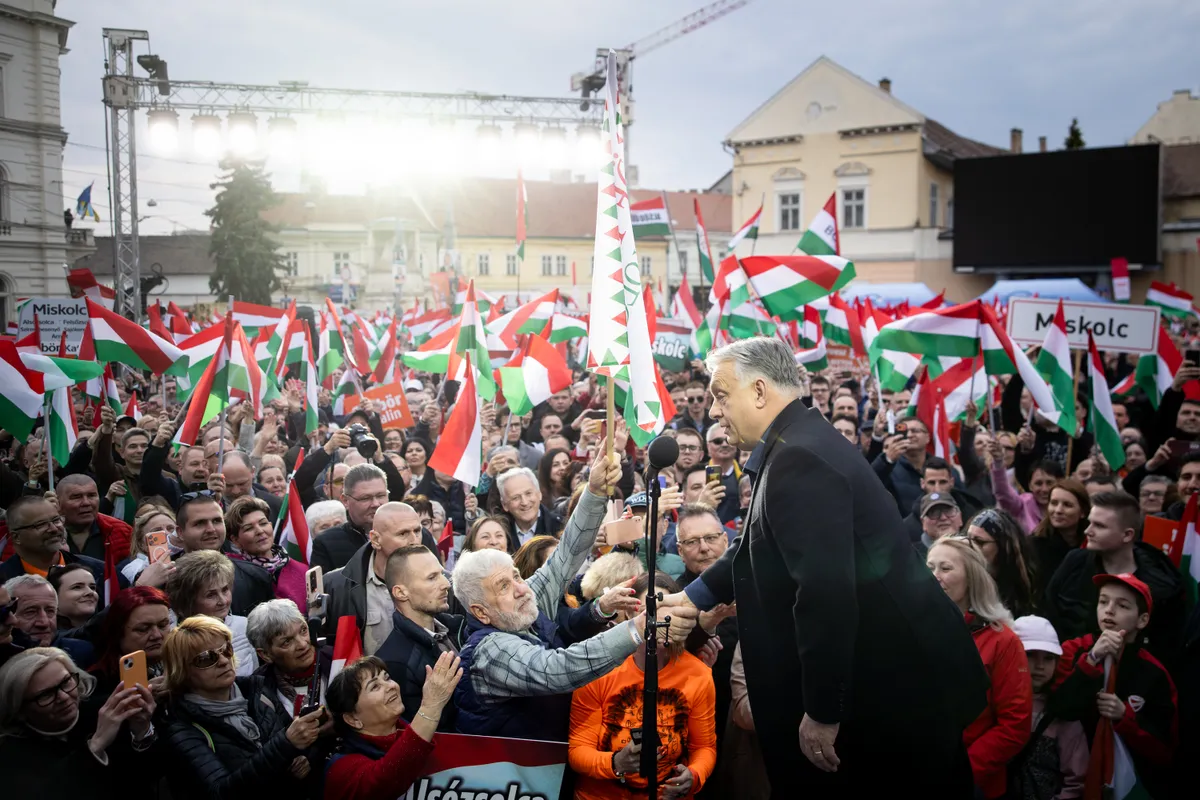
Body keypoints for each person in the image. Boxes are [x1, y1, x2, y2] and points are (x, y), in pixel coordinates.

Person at [663, 338, 988, 794]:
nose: (715, 411)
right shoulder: (799, 441)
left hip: (895, 691)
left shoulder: (798, 457)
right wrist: (691, 598)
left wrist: (821, 710)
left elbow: (825, 592)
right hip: (890, 680)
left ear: (759, 391)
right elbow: (759, 543)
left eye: (721, 395)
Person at [451, 452, 696, 741]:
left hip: (546, 759)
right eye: (503, 586)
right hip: (511, 767)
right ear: (481, 612)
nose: (520, 588)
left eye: (516, 576)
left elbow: (566, 555)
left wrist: (594, 491)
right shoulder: (490, 651)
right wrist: (635, 629)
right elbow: (557, 670)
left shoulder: (521, 600)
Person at [568, 572, 717, 800]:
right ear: (630, 612)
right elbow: (578, 751)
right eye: (651, 610)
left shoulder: (698, 675)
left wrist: (694, 776)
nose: (660, 619)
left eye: (668, 610)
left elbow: (704, 748)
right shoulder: (600, 668)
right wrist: (616, 762)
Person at [159, 616, 325, 800]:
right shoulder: (182, 729)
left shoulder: (257, 690)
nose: (223, 661)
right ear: (182, 671)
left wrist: (306, 758)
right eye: (207, 658)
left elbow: (300, 744)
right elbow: (220, 792)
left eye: (226, 650)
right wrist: (285, 745)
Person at [1051, 573, 1178, 798]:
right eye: (1103, 601)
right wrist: (1091, 660)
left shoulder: (1154, 673)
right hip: (1070, 781)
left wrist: (1125, 717)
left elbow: (1166, 749)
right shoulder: (1073, 650)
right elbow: (1059, 708)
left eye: (1122, 605)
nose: (1109, 610)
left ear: (1142, 620)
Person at [926, 536, 1032, 798]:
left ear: (972, 578)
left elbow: (1014, 726)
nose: (935, 576)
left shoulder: (1003, 641)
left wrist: (961, 772)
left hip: (973, 782)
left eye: (945, 568)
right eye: (929, 568)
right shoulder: (913, 630)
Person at [1043, 491, 1186, 668]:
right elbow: (1048, 611)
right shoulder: (1075, 563)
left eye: (1099, 526)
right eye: (1090, 523)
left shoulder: (1161, 585)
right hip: (1070, 670)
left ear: (1127, 535)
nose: (1088, 531)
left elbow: (1167, 648)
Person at [0, 647, 157, 799]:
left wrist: (141, 730)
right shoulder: (10, 754)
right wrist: (95, 747)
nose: (63, 697)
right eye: (45, 695)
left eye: (66, 682)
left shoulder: (108, 711)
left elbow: (149, 775)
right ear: (19, 709)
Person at [323, 652, 462, 800]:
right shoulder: (342, 770)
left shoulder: (409, 730)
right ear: (352, 719)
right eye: (375, 686)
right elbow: (387, 779)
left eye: (387, 678)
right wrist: (430, 707)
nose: (390, 686)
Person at [374, 545, 468, 731]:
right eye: (432, 578)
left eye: (441, 574)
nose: (446, 584)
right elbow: (418, 736)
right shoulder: (395, 662)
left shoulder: (458, 627)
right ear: (401, 593)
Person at [324, 502, 427, 655]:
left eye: (417, 531)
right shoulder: (335, 586)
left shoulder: (443, 583)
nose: (414, 540)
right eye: (403, 534)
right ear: (376, 539)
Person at [1006, 616, 1088, 800]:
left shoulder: (1061, 712)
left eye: (1049, 658)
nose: (1040, 666)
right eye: (1030, 655)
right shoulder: (995, 702)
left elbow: (1077, 781)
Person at [173, 493, 274, 616]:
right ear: (180, 532)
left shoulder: (256, 576)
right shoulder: (167, 580)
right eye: (200, 523)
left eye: (217, 521)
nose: (211, 529)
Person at [165, 550, 259, 676]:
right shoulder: (171, 636)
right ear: (187, 601)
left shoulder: (245, 625)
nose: (223, 601)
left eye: (225, 590)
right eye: (211, 595)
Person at [245, 599, 327, 731]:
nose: (303, 644)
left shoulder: (339, 662)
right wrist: (289, 740)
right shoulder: (256, 692)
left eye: (303, 630)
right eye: (287, 642)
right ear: (265, 654)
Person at [1, 496, 105, 593]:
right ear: (16, 537)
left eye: (56, 520)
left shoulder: (99, 572)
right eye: (41, 524)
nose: (54, 529)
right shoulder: (3, 583)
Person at [224, 496, 307, 611]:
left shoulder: (303, 571)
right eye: (248, 528)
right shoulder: (231, 574)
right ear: (235, 540)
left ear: (271, 526)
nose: (259, 531)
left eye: (263, 523)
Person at [90, 587, 172, 695]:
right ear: (118, 633)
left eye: (163, 625)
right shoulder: (96, 684)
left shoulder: (183, 665)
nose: (156, 635)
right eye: (143, 629)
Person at [311, 464, 391, 574]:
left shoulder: (408, 531)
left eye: (381, 495)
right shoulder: (326, 543)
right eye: (365, 498)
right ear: (345, 501)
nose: (376, 504)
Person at [4, 574, 94, 666]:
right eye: (31, 612)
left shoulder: (82, 654)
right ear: (7, 616)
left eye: (50, 611)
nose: (44, 623)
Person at [965, 508, 1037, 619]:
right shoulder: (962, 580)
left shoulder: (1024, 589)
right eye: (968, 539)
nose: (971, 547)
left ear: (1003, 546)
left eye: (980, 542)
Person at [1028, 480, 1090, 601]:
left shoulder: (1091, 546)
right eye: (1054, 503)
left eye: (1067, 505)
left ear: (1083, 512)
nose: (1058, 510)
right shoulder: (1034, 546)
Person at [55, 474, 133, 562]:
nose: (86, 503)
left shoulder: (122, 532)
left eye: (91, 495)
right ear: (58, 502)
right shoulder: (48, 533)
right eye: (76, 497)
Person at [497, 466, 563, 548]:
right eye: (515, 498)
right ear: (504, 505)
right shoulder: (497, 534)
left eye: (528, 493)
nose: (524, 502)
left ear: (539, 494)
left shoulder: (561, 527)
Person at [48, 562, 99, 630]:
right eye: (77, 587)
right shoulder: (47, 633)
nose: (90, 592)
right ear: (54, 597)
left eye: (92, 587)